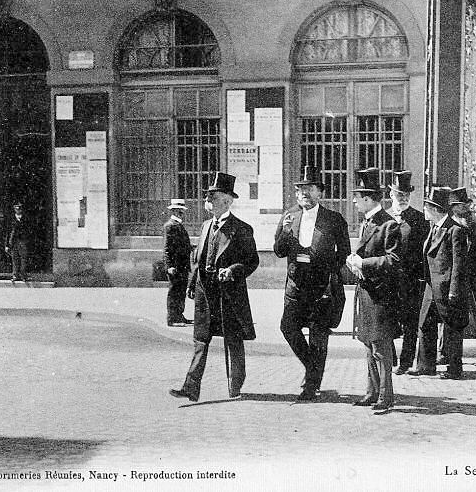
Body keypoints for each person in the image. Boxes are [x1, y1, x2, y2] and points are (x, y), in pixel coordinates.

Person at [170, 172, 259, 402]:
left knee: (233, 340)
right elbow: (198, 259)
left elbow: (252, 261)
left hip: (228, 294)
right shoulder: (206, 225)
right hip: (205, 293)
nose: (207, 200)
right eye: (207, 196)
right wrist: (191, 283)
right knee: (200, 340)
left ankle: (235, 386)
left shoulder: (241, 229)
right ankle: (190, 387)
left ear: (227, 201)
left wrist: (233, 270)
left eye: (213, 196)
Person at [274, 166, 349, 401]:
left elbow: (344, 252)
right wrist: (285, 233)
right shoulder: (289, 216)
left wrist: (327, 270)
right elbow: (278, 251)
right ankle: (313, 368)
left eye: (310, 188)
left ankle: (311, 385)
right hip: (296, 285)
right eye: (300, 189)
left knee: (318, 335)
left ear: (320, 193)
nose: (304, 193)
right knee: (288, 327)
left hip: (321, 287)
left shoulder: (333, 219)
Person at [348, 168, 403, 412]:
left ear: (368, 199)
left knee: (380, 348)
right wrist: (354, 262)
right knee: (368, 345)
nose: (354, 201)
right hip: (368, 292)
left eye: (357, 197)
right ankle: (372, 392)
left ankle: (385, 397)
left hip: (382, 297)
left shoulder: (388, 225)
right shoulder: (368, 222)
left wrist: (363, 264)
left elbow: (393, 261)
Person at [409, 186, 469, 380]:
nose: (424, 210)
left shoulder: (455, 230)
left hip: (446, 288)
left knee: (451, 328)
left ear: (434, 209)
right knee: (425, 324)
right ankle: (426, 366)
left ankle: (454, 369)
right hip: (430, 286)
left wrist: (454, 291)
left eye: (426, 207)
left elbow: (459, 264)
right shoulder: (433, 227)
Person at [387, 171, 429, 375]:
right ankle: (390, 357)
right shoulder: (384, 216)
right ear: (391, 194)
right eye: (398, 194)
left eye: (405, 194)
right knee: (387, 320)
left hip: (411, 280)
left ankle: (405, 362)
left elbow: (424, 250)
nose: (402, 198)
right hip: (387, 280)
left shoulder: (419, 219)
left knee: (410, 323)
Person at [449, 187, 476, 348]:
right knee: (450, 315)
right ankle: (445, 351)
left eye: (464, 205)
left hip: (473, 275)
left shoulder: (475, 226)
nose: (462, 208)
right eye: (458, 205)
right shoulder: (449, 226)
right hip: (453, 277)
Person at [163, 198, 193, 327]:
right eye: (179, 211)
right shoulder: (170, 226)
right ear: (173, 211)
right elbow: (167, 248)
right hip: (175, 266)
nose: (181, 213)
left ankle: (179, 315)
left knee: (181, 291)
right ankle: (172, 319)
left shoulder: (178, 225)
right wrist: (169, 266)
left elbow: (181, 244)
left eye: (182, 211)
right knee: (174, 292)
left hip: (183, 265)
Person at [5, 201, 32, 282]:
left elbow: (29, 230)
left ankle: (23, 275)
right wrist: (7, 245)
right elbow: (8, 232)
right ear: (14, 209)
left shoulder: (26, 218)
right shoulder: (11, 219)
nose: (18, 210)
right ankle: (15, 275)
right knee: (14, 258)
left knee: (23, 258)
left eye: (19, 209)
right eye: (16, 209)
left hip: (23, 241)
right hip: (13, 241)